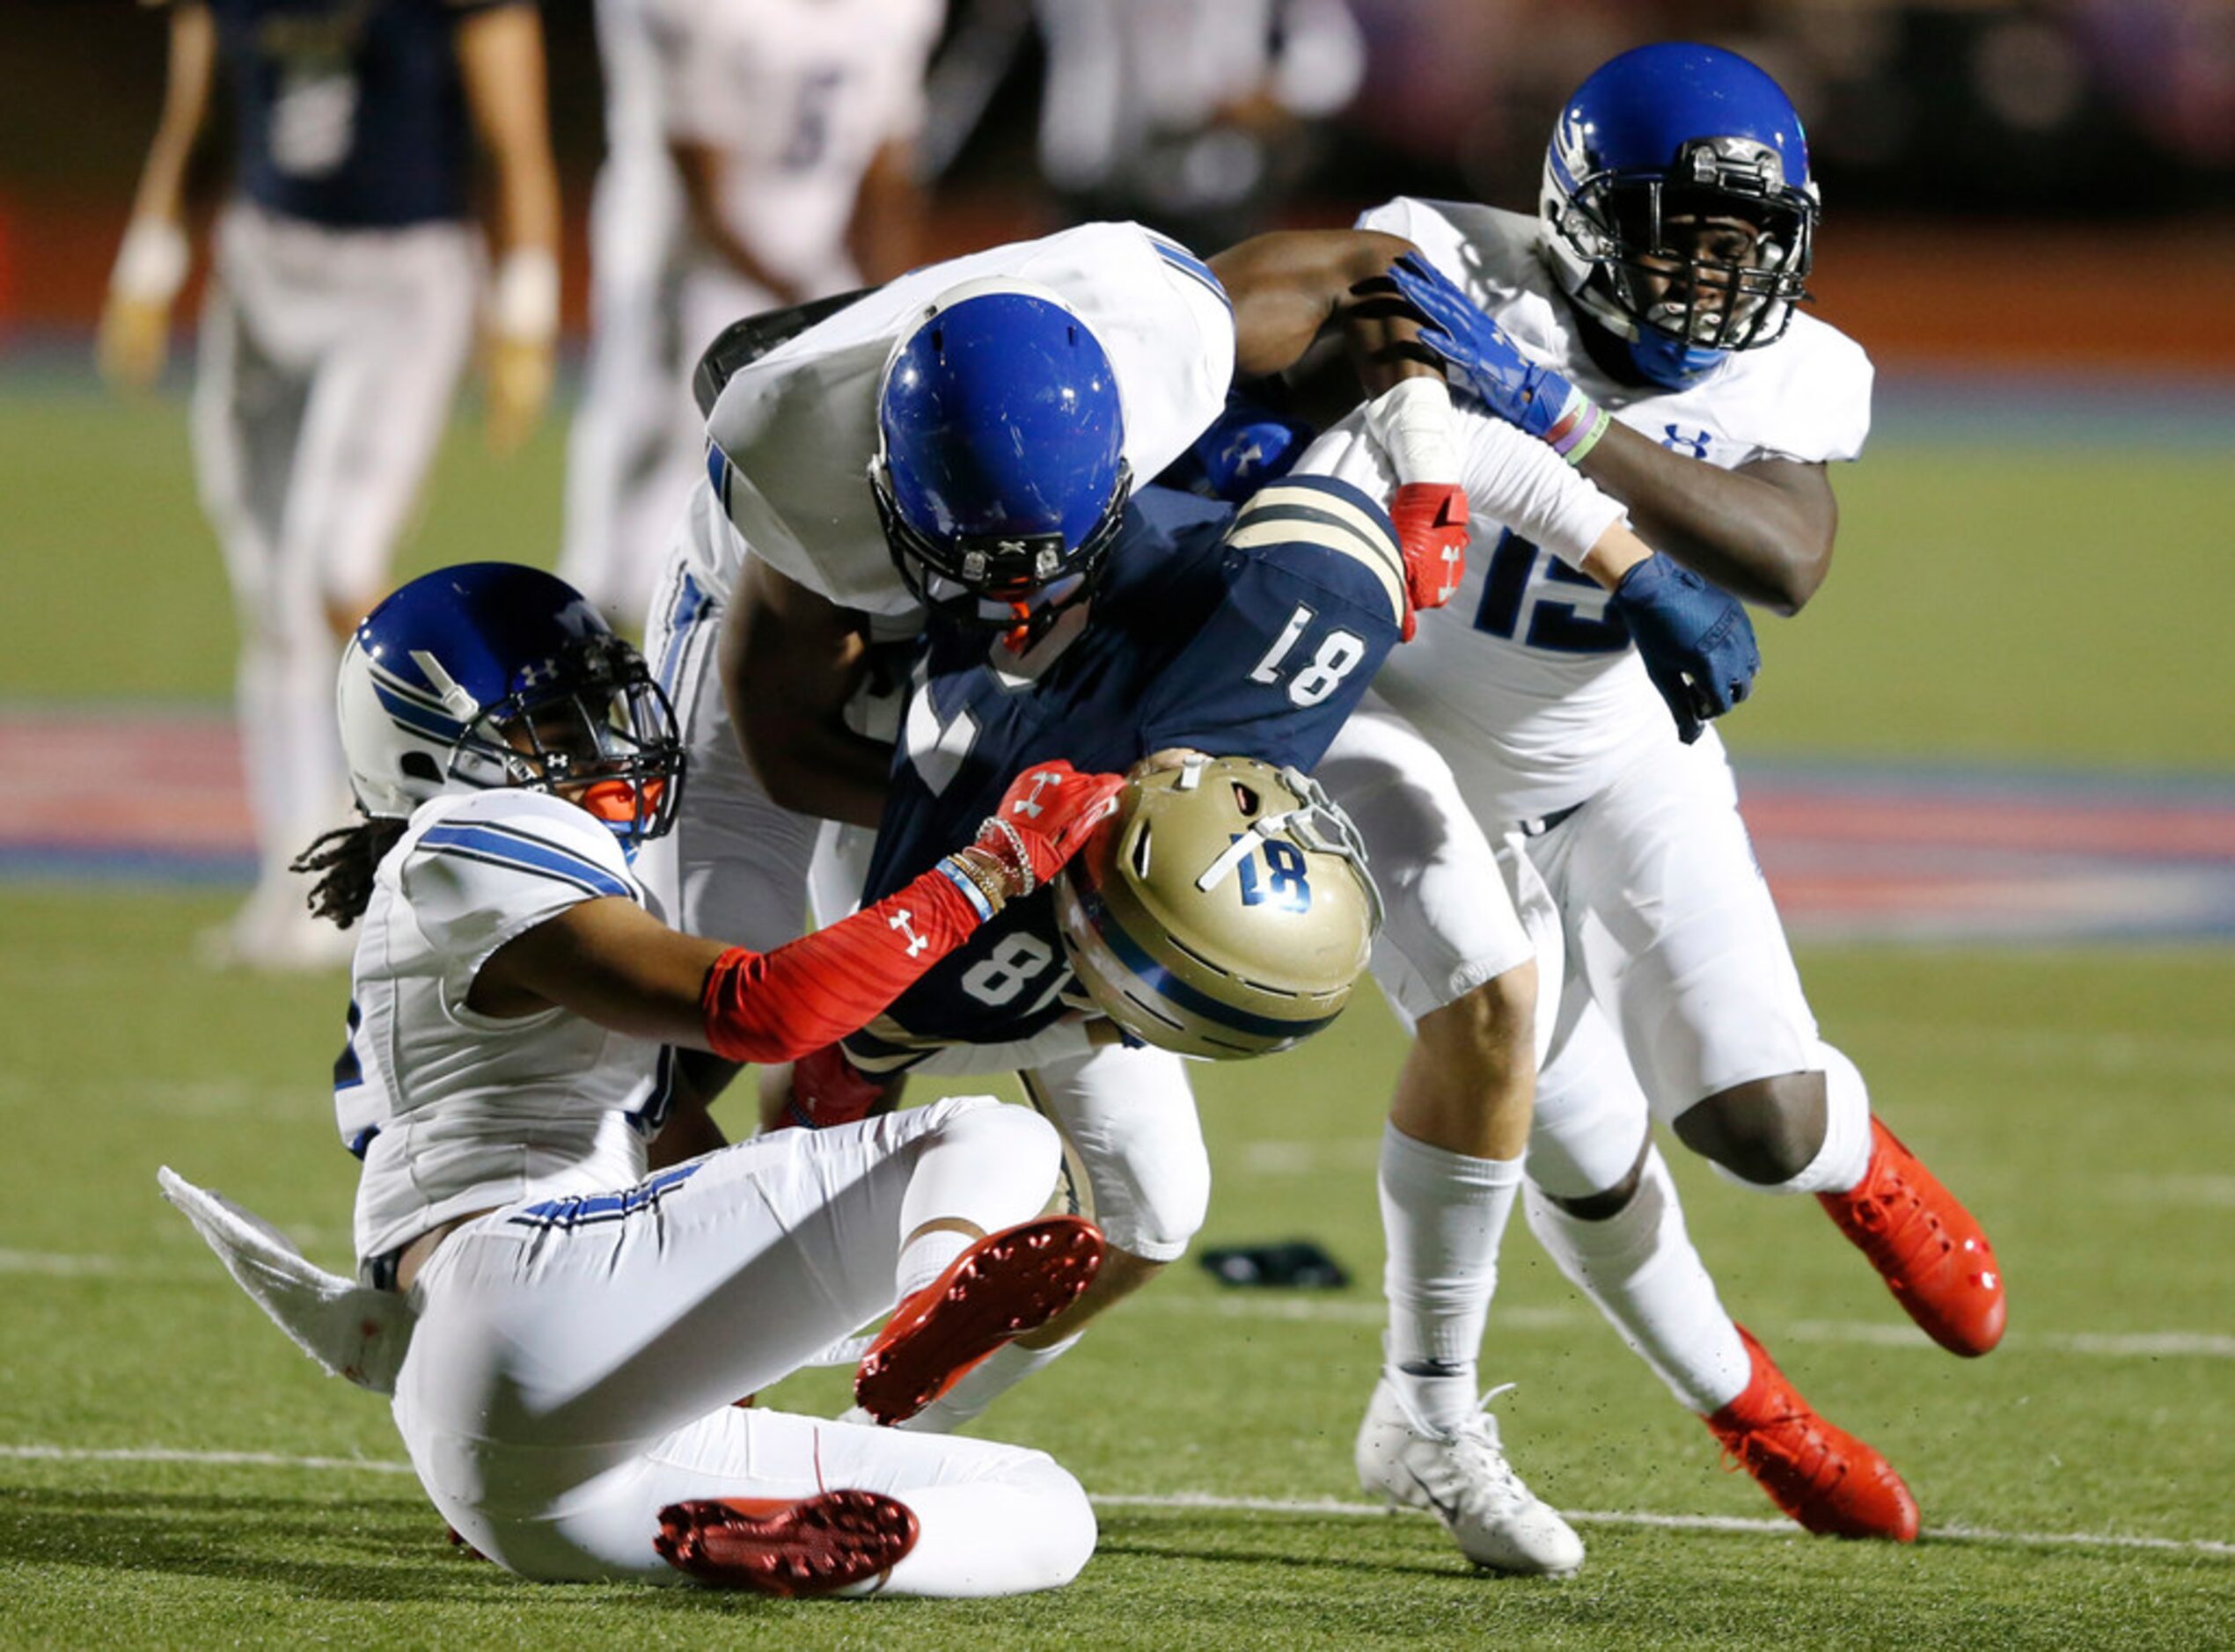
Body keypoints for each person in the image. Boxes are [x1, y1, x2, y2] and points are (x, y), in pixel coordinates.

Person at [1295, 42, 2007, 1566]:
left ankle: (1858, 1157)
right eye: (1672, 235)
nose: (1704, 278)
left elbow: (1789, 556)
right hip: (1412, 750)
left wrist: (1560, 415)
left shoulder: (1786, 369)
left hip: (1629, 753)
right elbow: (1344, 340)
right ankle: (1748, 1403)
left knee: (1756, 1118)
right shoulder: (1451, 262)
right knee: (1579, 1136)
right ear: (1575, 218)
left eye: (1740, 243)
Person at [170, 560, 1132, 1595]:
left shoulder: (484, 895)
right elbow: (766, 1009)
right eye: (553, 725)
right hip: (523, 1283)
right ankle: (923, 1301)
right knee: (991, 1141)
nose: (604, 743)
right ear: (430, 754)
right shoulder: (468, 836)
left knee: (1043, 1511)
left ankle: (821, 1547)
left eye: (603, 706)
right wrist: (986, 872)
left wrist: (728, 1374)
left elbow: (669, 1146)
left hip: (506, 1458)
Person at [99, 0, 561, 972]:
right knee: (269, 591)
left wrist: (525, 301)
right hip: (261, 264)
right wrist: (152, 255)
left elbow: (513, 140)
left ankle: (472, 827)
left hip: (403, 275)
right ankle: (294, 878)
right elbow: (199, 115)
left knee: (333, 566)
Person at [559, 0, 944, 628]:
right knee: (628, 537)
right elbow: (696, 177)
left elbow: (886, 162)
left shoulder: (895, 12)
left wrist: (884, 295)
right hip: (687, 270)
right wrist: (801, 293)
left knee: (845, 507)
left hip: (809, 267)